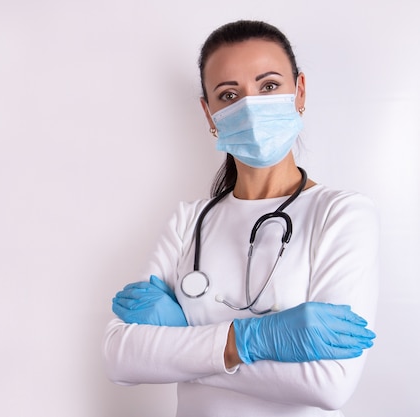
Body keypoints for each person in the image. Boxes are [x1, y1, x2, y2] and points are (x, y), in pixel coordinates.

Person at [103, 20, 378, 416]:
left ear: (299, 91)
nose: (249, 107)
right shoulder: (189, 221)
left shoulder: (342, 214)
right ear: (209, 112)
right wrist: (250, 340)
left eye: (268, 87)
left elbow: (330, 383)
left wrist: (180, 340)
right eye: (229, 95)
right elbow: (119, 357)